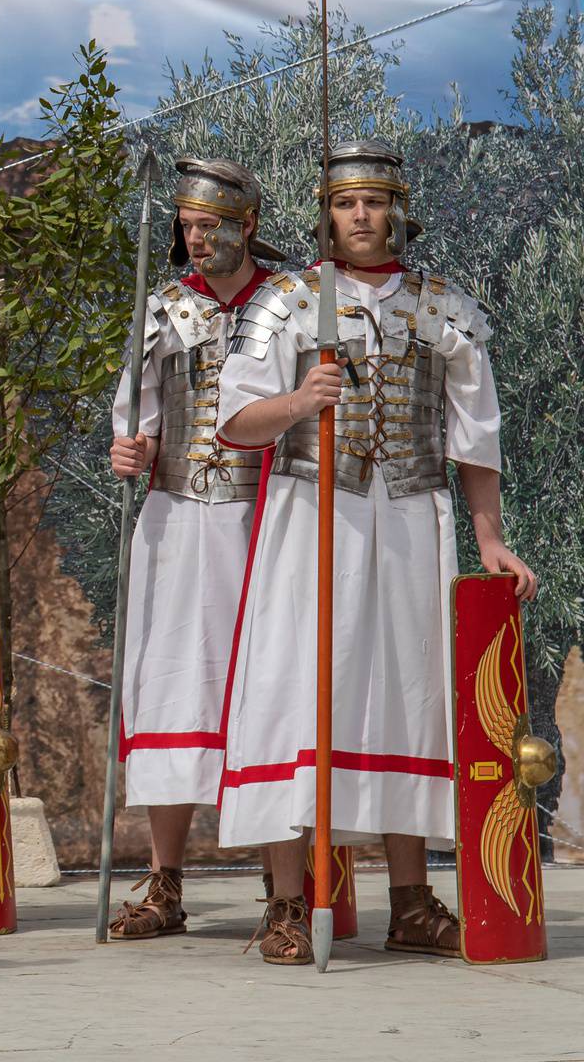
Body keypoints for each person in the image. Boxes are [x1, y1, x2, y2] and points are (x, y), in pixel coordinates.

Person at [215, 138, 536, 965]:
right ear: (326, 214)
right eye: (346, 202)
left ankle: (411, 901)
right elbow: (234, 422)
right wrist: (298, 399)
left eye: (375, 200)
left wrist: (489, 538)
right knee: (294, 687)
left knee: (410, 694)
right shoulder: (286, 303)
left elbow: (476, 435)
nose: (361, 215)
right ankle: (289, 902)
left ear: (397, 210)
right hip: (306, 519)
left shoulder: (444, 307)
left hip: (409, 520)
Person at [104, 157, 285, 939]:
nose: (196, 237)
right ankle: (165, 882)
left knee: (271, 697)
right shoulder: (164, 307)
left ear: (247, 224)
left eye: (210, 223)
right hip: (176, 520)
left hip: (265, 523)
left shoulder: (292, 301)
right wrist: (131, 450)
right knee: (172, 692)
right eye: (186, 224)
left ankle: (291, 893)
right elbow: (134, 414)